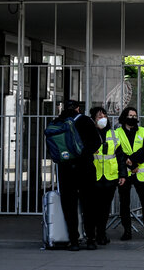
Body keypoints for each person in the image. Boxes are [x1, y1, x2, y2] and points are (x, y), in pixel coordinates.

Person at [54, 100, 101, 250]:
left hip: (65, 169)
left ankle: (73, 241)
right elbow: (96, 143)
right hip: (85, 168)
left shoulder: (57, 121)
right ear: (78, 108)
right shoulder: (86, 121)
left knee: (69, 206)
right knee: (89, 204)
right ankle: (91, 239)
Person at [115, 106, 144, 241]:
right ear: (124, 117)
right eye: (130, 115)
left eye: (135, 116)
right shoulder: (117, 132)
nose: (133, 118)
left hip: (141, 173)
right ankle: (127, 230)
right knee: (124, 203)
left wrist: (133, 161)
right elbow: (118, 152)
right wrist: (130, 164)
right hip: (125, 173)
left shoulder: (143, 131)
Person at [89, 107, 126, 246]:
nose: (103, 118)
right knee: (94, 208)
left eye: (104, 115)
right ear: (93, 119)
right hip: (95, 177)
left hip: (110, 177)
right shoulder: (90, 134)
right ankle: (92, 234)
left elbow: (120, 156)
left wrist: (122, 174)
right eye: (99, 116)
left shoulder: (113, 134)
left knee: (105, 208)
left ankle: (101, 234)